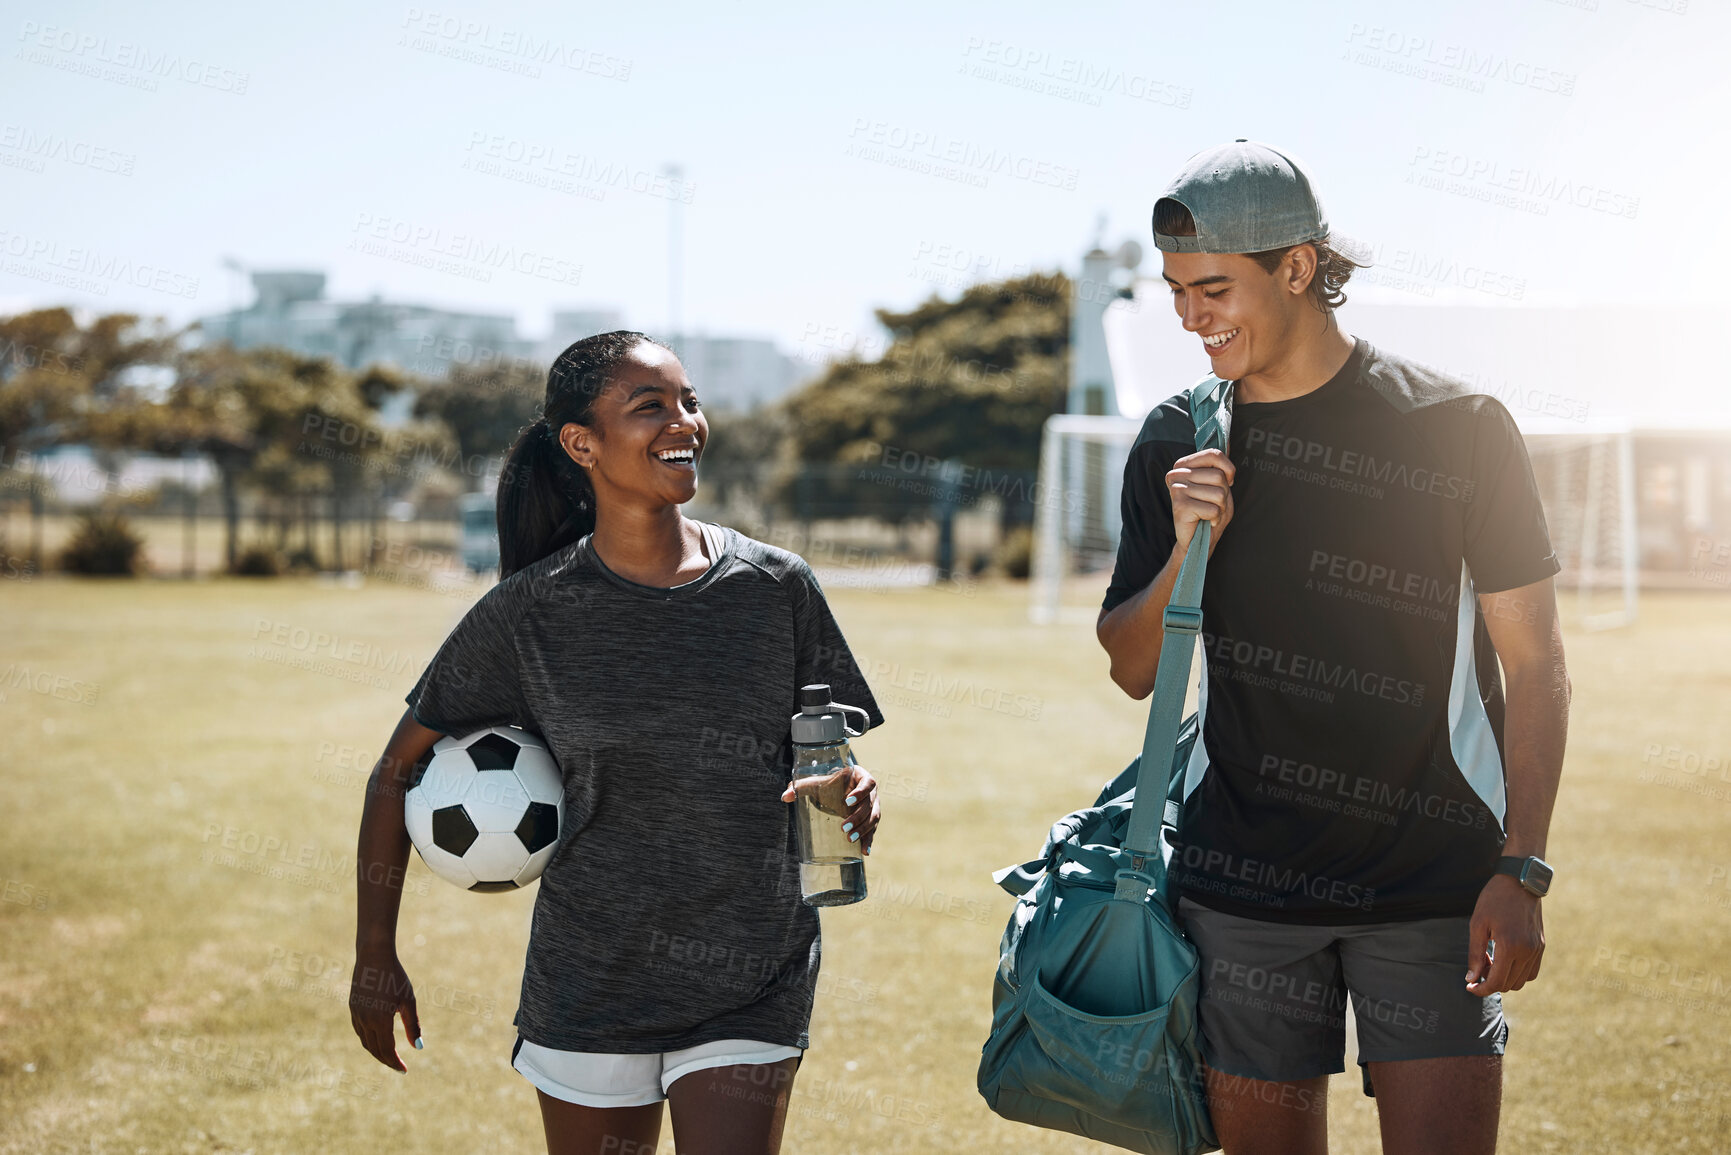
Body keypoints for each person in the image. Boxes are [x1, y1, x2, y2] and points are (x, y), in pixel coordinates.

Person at [1096, 141, 1570, 1155]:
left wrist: (1520, 867)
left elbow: (1535, 666)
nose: (1189, 316)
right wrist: (1188, 547)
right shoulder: (1175, 437)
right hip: (1241, 893)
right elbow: (1133, 665)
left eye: (1214, 287)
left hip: (1437, 887)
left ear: (1301, 269)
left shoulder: (1458, 427)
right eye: (1177, 291)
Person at [348, 331, 886, 1155]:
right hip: (590, 977)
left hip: (752, 969)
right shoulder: (529, 612)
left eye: (689, 400)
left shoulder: (777, 587)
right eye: (652, 407)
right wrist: (375, 955)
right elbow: (396, 772)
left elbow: (827, 756)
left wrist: (853, 792)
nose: (685, 422)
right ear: (581, 444)